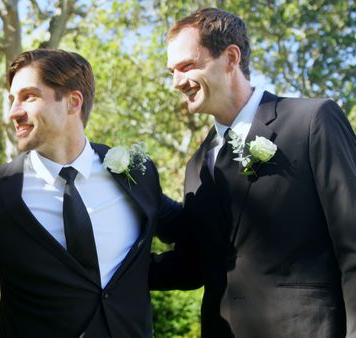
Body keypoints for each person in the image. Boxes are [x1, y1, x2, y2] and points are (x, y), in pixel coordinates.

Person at [0, 49, 181, 337]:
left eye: (29, 97)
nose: (14, 112)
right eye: (13, 99)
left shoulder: (136, 172)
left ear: (73, 102)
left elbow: (192, 242)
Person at [150, 8, 356, 338]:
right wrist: (99, 271)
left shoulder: (312, 121)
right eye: (172, 71)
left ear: (231, 57)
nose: (176, 82)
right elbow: (193, 265)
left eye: (187, 66)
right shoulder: (198, 165)